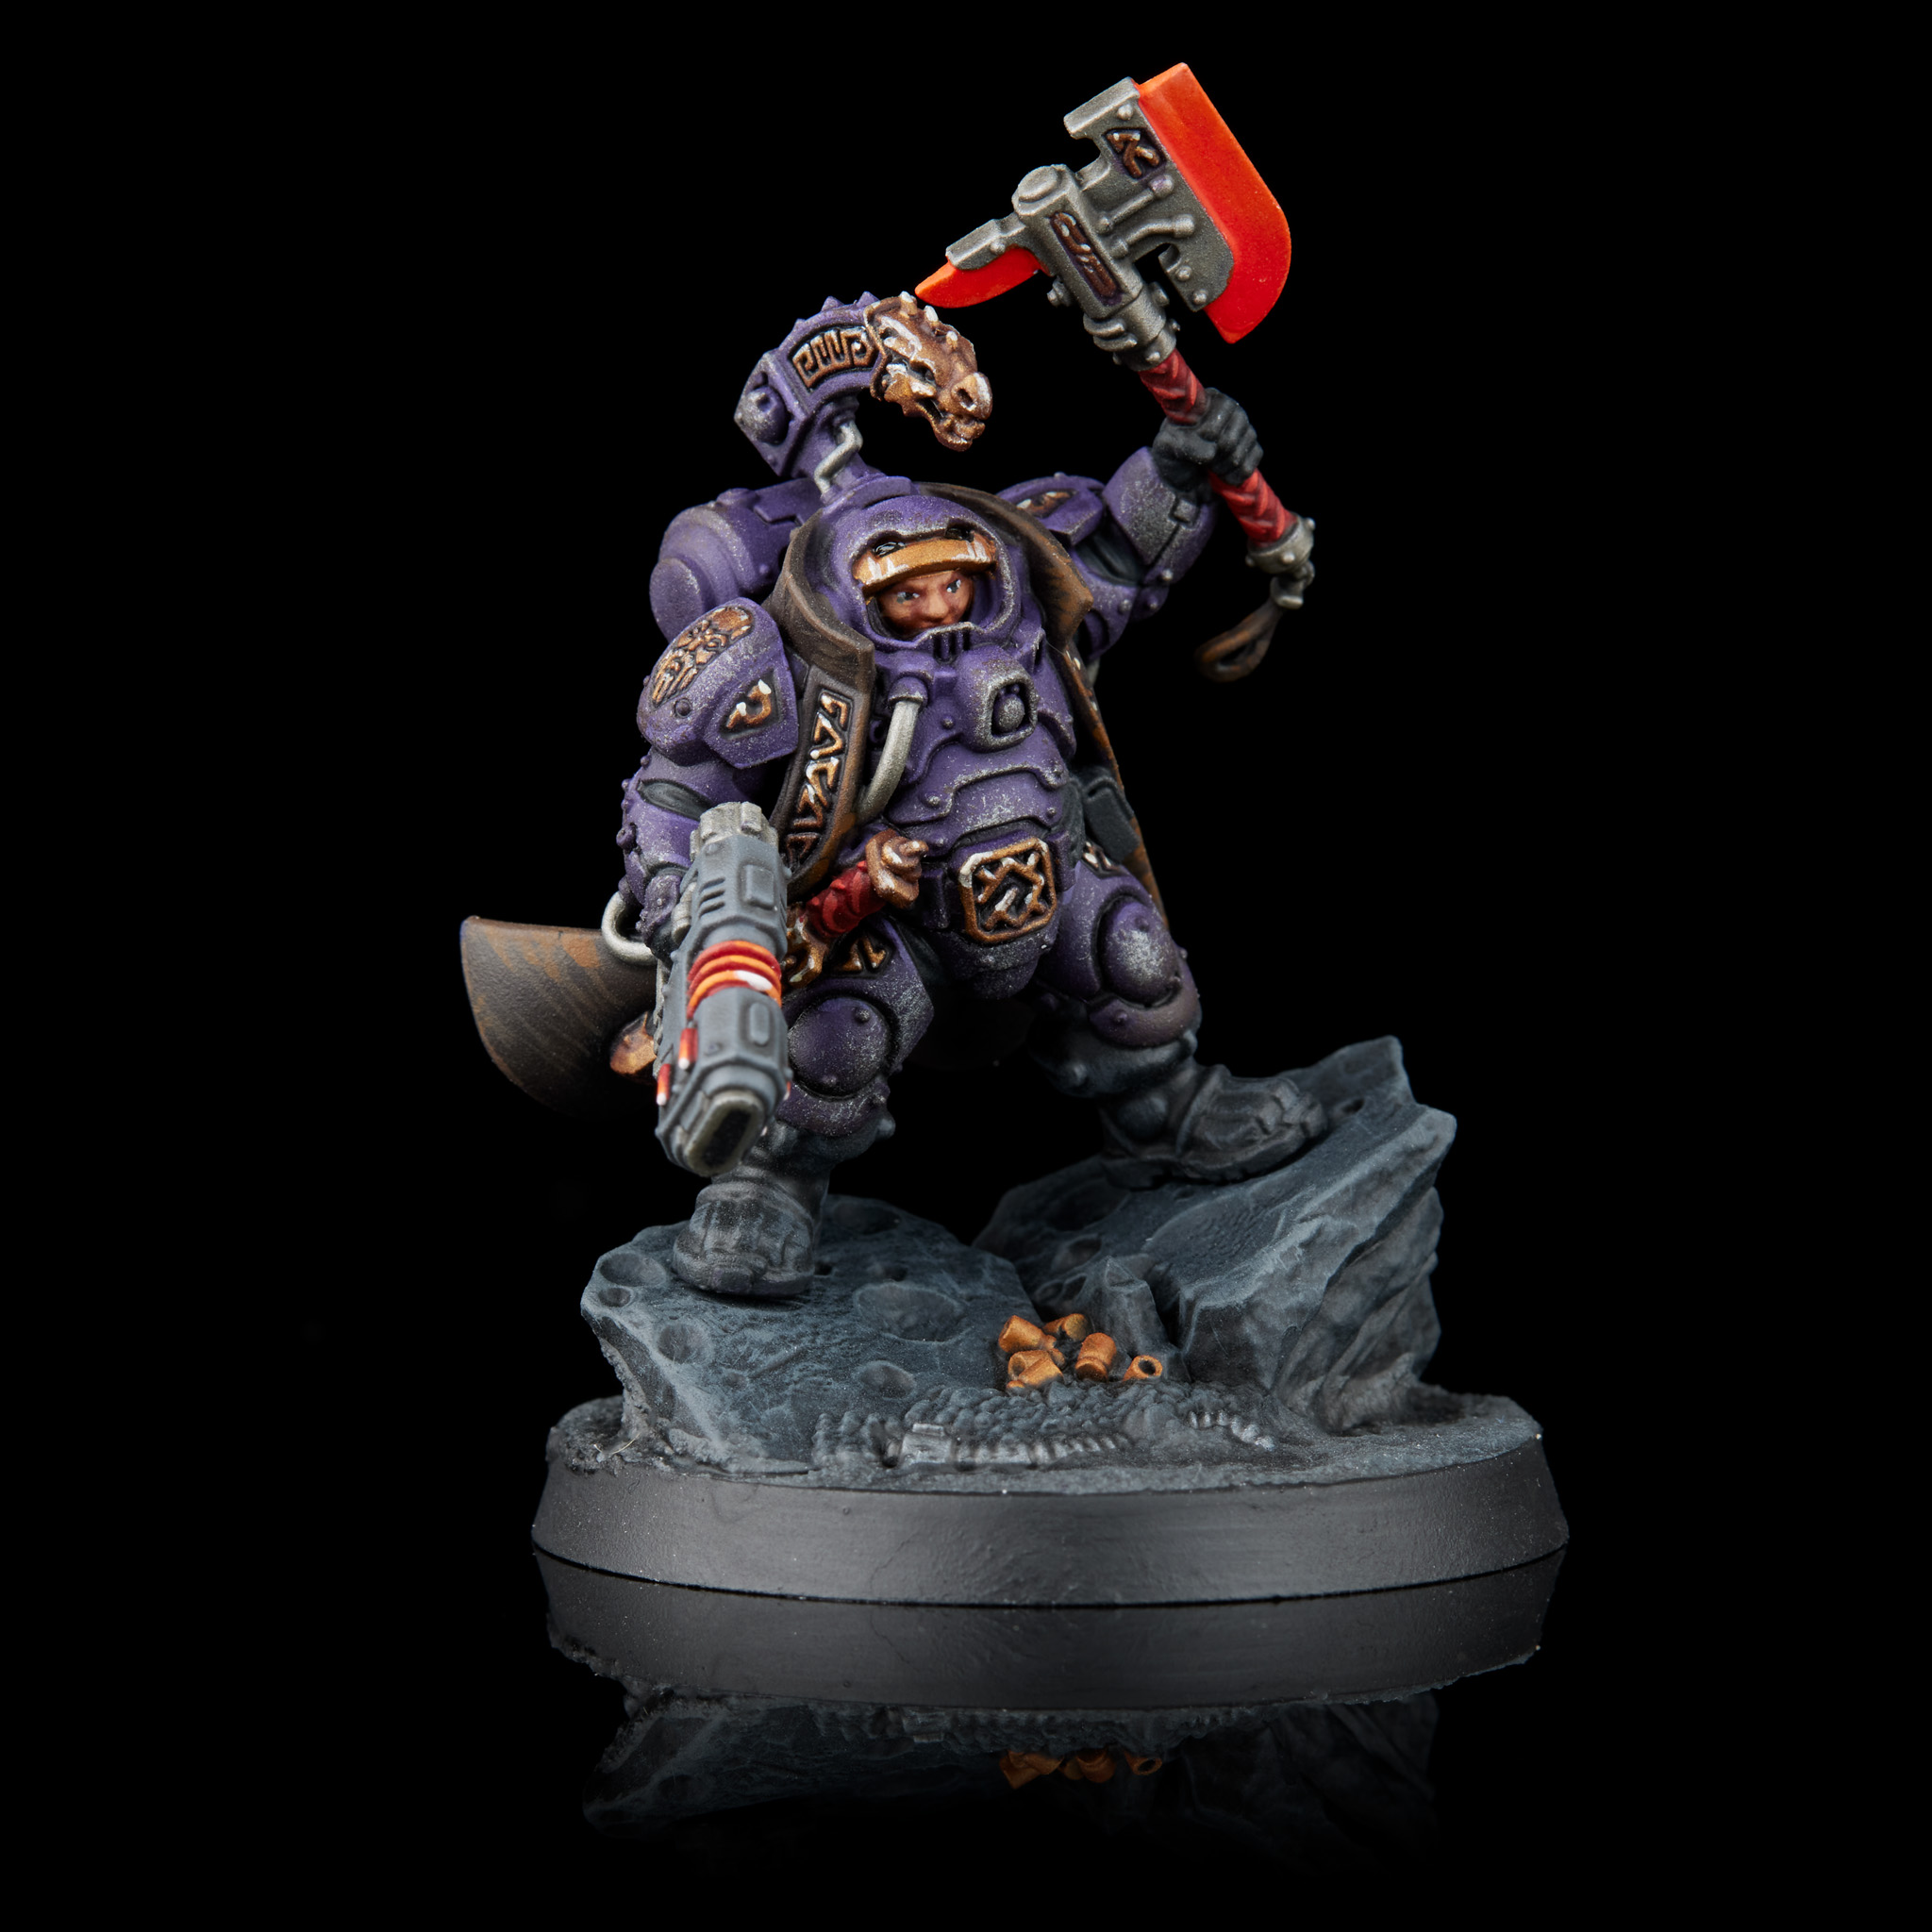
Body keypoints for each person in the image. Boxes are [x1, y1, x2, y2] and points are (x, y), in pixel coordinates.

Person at [616, 297, 1324, 1295]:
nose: (938, 606)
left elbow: (1117, 561)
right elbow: (675, 792)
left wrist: (1176, 463)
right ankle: (767, 1191)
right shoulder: (781, 650)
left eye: (953, 584)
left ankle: (1165, 1111)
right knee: (831, 1044)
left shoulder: (1022, 601)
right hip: (882, 913)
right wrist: (684, 904)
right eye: (907, 593)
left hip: (1049, 877)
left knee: (1132, 957)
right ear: (860, 594)